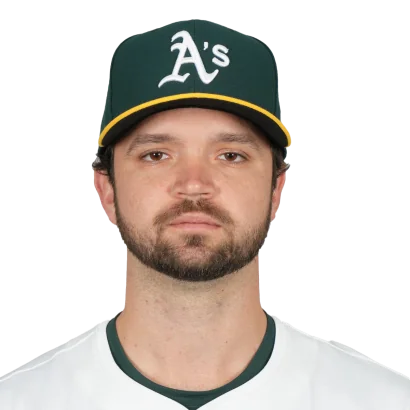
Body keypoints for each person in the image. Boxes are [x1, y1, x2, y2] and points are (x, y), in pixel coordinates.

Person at [1, 19, 408, 410]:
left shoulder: (385, 402)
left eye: (230, 155)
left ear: (276, 189)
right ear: (106, 190)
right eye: (156, 155)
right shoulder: (18, 402)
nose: (194, 184)